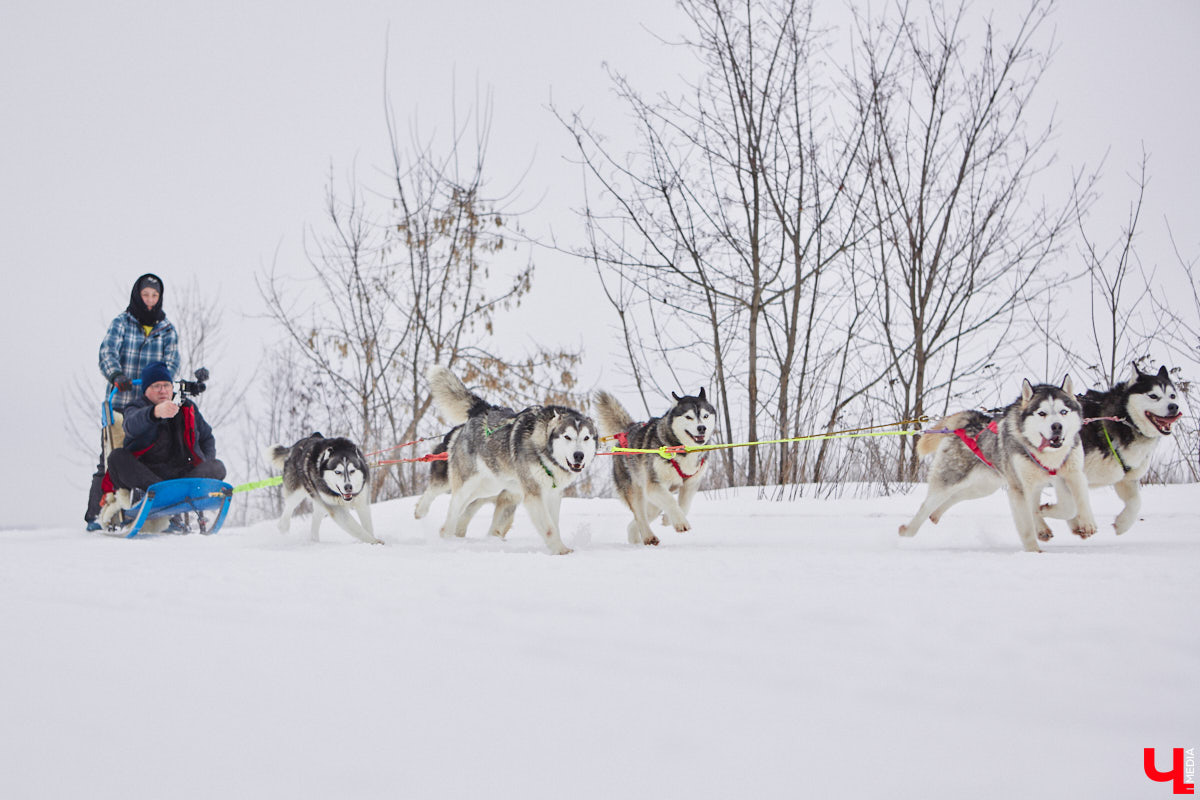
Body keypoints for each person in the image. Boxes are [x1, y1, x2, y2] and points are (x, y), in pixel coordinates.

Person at [84, 274, 180, 529]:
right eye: (146, 295)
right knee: (111, 456)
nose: (149, 300)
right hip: (121, 400)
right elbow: (107, 352)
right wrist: (117, 375)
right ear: (138, 296)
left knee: (160, 455)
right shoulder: (122, 323)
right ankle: (97, 513)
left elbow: (172, 362)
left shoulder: (167, 329)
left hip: (152, 405)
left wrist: (160, 383)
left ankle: (168, 513)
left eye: (154, 296)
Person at [105, 361, 226, 499]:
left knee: (217, 467)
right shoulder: (135, 407)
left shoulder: (186, 406)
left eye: (166, 385)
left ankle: (187, 491)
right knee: (116, 458)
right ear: (146, 390)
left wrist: (205, 461)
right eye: (156, 386)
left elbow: (207, 437)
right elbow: (130, 425)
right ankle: (159, 494)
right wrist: (154, 413)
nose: (162, 390)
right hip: (149, 477)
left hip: (184, 477)